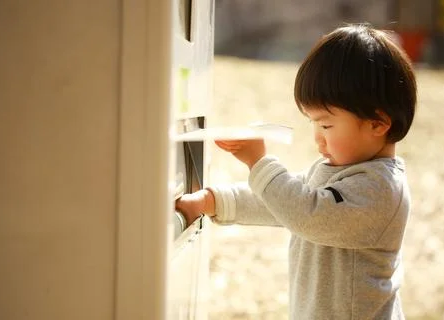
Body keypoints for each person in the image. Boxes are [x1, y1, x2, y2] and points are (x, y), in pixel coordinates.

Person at [176, 24, 417, 319]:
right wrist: (215, 201)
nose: (318, 137)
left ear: (378, 123)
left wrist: (259, 163)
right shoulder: (338, 170)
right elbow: (283, 203)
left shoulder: (380, 190)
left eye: (326, 125)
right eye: (312, 123)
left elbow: (306, 214)